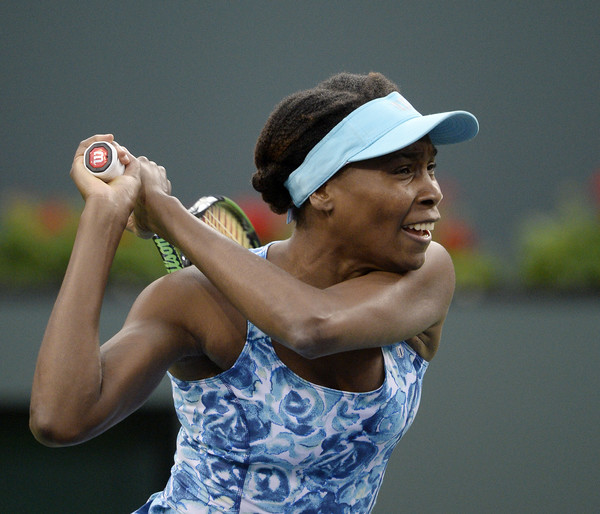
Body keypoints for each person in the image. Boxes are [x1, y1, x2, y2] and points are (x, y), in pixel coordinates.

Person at [30, 72, 478, 513]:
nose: (433, 191)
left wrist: (165, 212)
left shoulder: (426, 273)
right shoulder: (191, 301)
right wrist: (104, 215)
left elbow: (310, 326)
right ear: (322, 190)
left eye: (430, 167)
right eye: (404, 171)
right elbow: (61, 418)